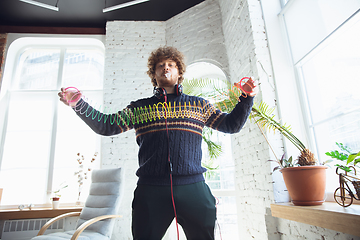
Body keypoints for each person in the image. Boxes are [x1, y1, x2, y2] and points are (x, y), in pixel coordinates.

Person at [58, 46, 258, 240]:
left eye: (171, 64)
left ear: (179, 72)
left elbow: (231, 125)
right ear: (154, 75)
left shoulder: (199, 105)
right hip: (151, 189)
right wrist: (78, 103)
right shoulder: (139, 108)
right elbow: (106, 126)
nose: (166, 67)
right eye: (160, 65)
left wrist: (247, 98)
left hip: (194, 188)